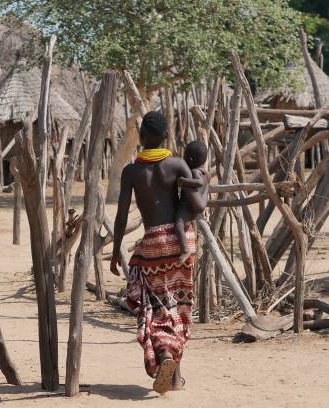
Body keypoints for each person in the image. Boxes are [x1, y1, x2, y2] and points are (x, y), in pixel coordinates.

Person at [110, 111, 195, 394]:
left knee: (157, 306)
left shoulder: (132, 171)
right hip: (182, 242)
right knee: (178, 306)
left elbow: (121, 214)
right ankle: (175, 376)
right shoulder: (177, 164)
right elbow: (194, 201)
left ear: (143, 136)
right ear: (165, 136)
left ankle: (166, 359)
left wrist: (114, 251)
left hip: (154, 244)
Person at [175, 140, 209, 263]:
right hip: (193, 208)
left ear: (189, 159)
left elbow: (199, 183)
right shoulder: (204, 173)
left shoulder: (194, 172)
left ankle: (185, 249)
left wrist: (182, 180)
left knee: (178, 224)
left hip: (187, 207)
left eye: (184, 157)